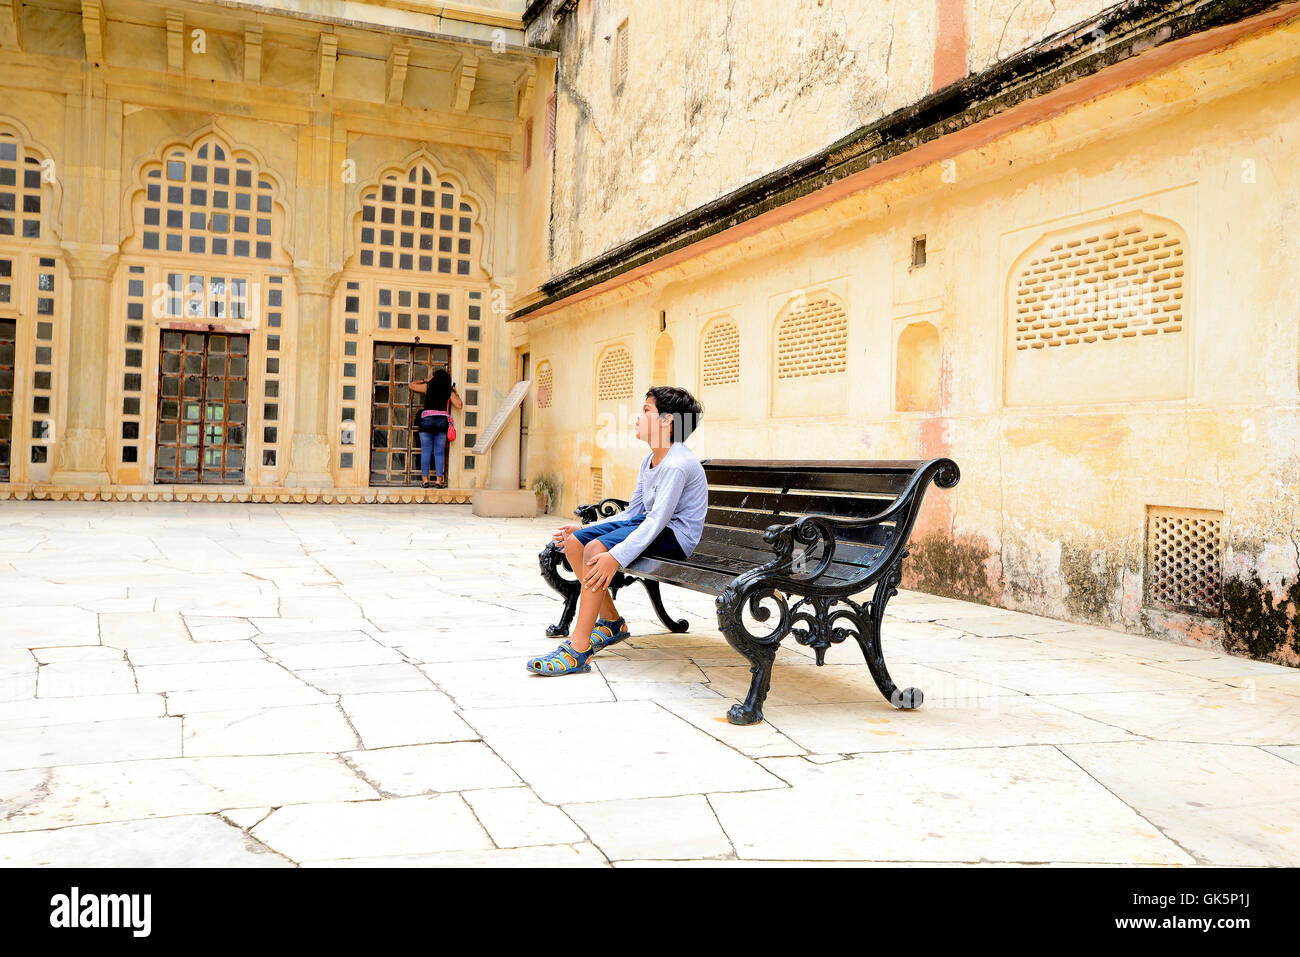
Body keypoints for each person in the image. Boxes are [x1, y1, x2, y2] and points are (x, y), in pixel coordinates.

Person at [528, 386, 707, 676]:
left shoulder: (677, 463)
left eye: (646, 411)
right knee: (575, 542)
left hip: (676, 537)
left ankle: (578, 648)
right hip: (653, 526)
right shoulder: (650, 460)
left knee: (597, 550)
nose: (638, 417)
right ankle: (611, 622)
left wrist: (615, 556)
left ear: (667, 421)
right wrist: (588, 528)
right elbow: (634, 513)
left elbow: (656, 521)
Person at [410, 366, 463, 489]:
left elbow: (411, 385)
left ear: (434, 377)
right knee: (439, 453)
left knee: (426, 451)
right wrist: (455, 392)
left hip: (426, 421)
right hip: (441, 422)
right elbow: (459, 405)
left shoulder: (428, 387)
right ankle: (438, 481)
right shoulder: (448, 390)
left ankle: (425, 480)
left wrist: (426, 380)